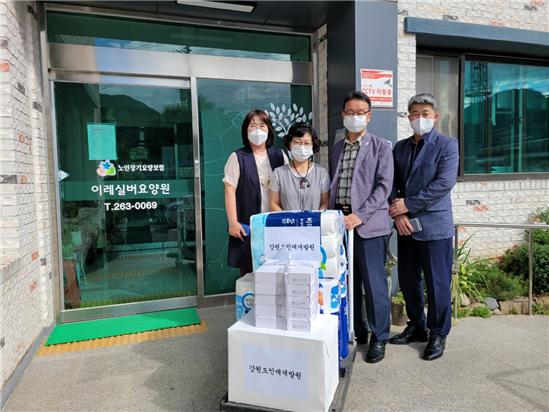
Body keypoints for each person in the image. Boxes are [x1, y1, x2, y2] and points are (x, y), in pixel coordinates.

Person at [388, 93, 459, 361]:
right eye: (415, 114)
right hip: (406, 226)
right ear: (409, 117)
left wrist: (407, 205)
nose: (419, 118)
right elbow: (392, 183)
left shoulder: (447, 145)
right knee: (408, 280)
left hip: (434, 226)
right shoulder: (400, 148)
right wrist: (398, 215)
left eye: (425, 114)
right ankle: (417, 325)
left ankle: (438, 333)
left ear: (435, 116)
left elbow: (443, 184)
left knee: (437, 283)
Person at [329, 91, 394, 363]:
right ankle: (358, 329)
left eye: (360, 113)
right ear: (343, 115)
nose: (354, 117)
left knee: (374, 284)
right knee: (348, 282)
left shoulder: (380, 147)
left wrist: (361, 215)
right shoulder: (337, 148)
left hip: (368, 226)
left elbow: (384, 187)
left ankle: (380, 337)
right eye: (350, 112)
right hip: (340, 225)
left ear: (369, 116)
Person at [223, 109, 287, 275]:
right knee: (250, 275)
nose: (258, 130)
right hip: (249, 227)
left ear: (269, 130)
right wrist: (233, 223)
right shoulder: (238, 157)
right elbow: (229, 190)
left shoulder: (279, 155)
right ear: (246, 130)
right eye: (253, 126)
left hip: (276, 226)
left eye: (262, 126)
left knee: (279, 275)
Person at [269, 122, 330, 211]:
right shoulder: (278, 174)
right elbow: (273, 203)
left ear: (312, 145)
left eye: (306, 143)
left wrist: (316, 217)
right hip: (287, 220)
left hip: (314, 219)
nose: (302, 147)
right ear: (290, 144)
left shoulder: (322, 173)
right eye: (297, 142)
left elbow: (325, 203)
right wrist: (287, 218)